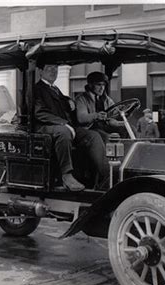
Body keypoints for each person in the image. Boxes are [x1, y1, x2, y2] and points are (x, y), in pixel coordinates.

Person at [34, 62, 108, 191]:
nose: (54, 71)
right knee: (64, 133)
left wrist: (69, 100)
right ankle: (66, 175)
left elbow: (63, 101)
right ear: (40, 71)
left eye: (55, 68)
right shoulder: (37, 89)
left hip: (61, 125)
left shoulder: (55, 88)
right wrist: (64, 123)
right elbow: (39, 113)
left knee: (94, 135)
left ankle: (105, 176)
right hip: (43, 127)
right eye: (50, 67)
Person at [75, 71, 128, 142]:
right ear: (90, 85)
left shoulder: (106, 99)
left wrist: (122, 110)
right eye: (99, 85)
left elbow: (114, 112)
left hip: (105, 126)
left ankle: (129, 151)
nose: (102, 88)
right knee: (106, 137)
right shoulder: (81, 99)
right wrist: (96, 116)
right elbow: (81, 118)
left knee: (128, 129)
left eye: (103, 85)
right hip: (89, 128)